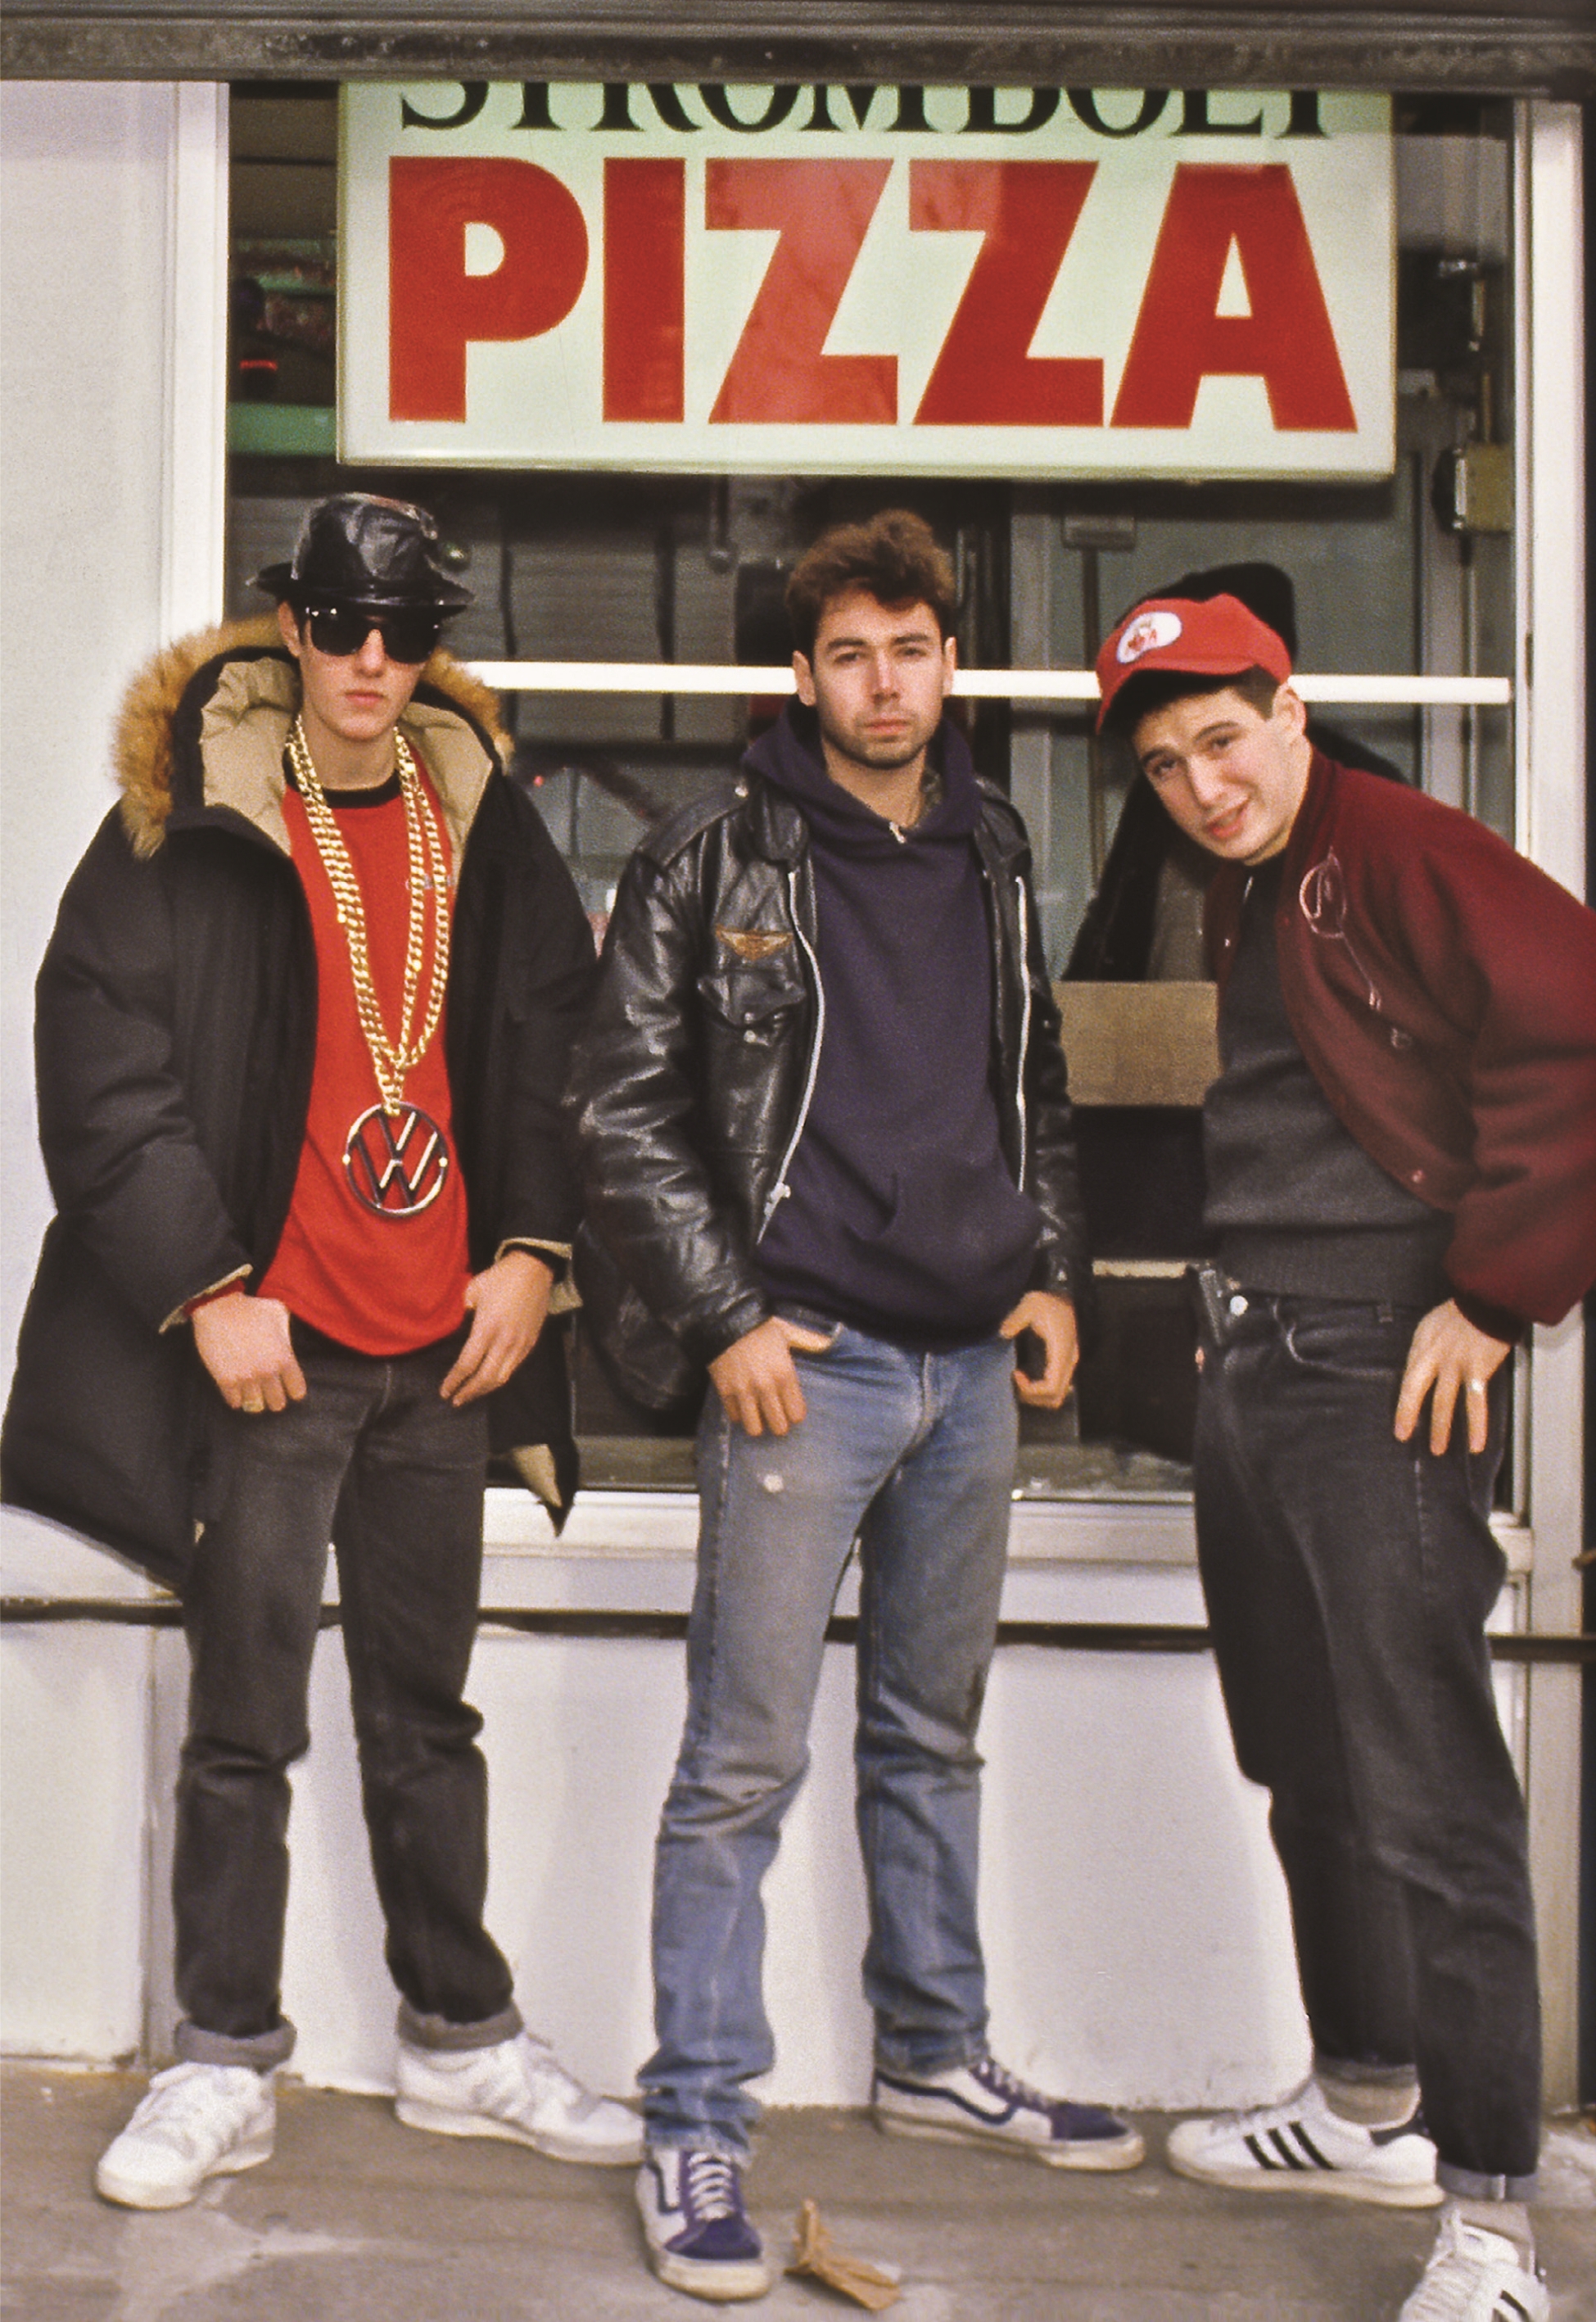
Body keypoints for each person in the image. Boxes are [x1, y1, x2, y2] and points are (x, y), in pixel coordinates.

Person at [1, 494, 641, 2208]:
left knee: (428, 1714)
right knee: (243, 1719)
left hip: (444, 1350)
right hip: (275, 1359)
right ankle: (222, 2055)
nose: (369, 660)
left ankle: (460, 2036)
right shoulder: (192, 814)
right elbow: (97, 1052)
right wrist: (206, 1283)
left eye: (403, 632)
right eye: (342, 625)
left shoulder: (480, 819)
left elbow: (558, 1045)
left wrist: (536, 1255)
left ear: (431, 645)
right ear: (292, 626)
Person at [567, 509, 1143, 2304]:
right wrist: (724, 1317)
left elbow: (1032, 1075)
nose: (883, 685)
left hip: (971, 1366)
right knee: (739, 1763)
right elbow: (618, 1108)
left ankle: (933, 2050)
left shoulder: (995, 842)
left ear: (947, 662)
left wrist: (1048, 1269)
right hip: (803, 1371)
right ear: (801, 677)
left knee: (930, 1734)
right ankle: (695, 2120)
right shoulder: (712, 850)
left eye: (910, 651)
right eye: (849, 656)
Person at [1092, 586, 1596, 2322]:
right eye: (1167, 765)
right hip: (1262, 1351)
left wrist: (1496, 1292)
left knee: (1431, 1795)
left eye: (1224, 741)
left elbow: (1576, 1028)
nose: (1202, 786)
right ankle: (1367, 2094)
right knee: (1308, 1760)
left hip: (1378, 1367)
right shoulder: (1259, 873)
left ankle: (1492, 2227)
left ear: (1290, 710)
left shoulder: (1393, 843)